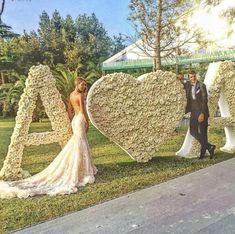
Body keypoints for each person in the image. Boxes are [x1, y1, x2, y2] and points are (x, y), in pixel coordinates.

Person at [0, 77, 97, 199]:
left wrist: (74, 119)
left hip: (75, 121)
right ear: (77, 84)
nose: (84, 86)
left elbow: (70, 110)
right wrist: (87, 122)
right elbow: (83, 111)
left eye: (85, 85)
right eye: (82, 84)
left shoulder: (71, 95)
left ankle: (81, 168)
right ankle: (83, 170)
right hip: (80, 120)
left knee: (78, 143)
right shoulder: (80, 96)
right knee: (80, 143)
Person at [177, 71, 216, 159]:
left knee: (203, 132)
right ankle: (210, 147)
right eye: (191, 77)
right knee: (192, 131)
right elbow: (182, 82)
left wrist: (202, 113)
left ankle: (203, 154)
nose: (193, 78)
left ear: (196, 76)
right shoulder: (188, 85)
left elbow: (205, 100)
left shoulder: (201, 85)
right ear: (189, 77)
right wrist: (179, 78)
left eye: (194, 76)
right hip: (194, 112)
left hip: (202, 111)